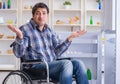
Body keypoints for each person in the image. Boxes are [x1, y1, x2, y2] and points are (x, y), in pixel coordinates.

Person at [8, 2, 89, 84]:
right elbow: (18, 54)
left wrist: (69, 38)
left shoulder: (49, 30)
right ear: (33, 15)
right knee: (66, 63)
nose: (41, 16)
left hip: (51, 66)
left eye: (44, 13)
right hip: (35, 67)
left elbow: (57, 52)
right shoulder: (25, 29)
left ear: (47, 16)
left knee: (79, 64)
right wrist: (20, 37)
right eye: (38, 13)